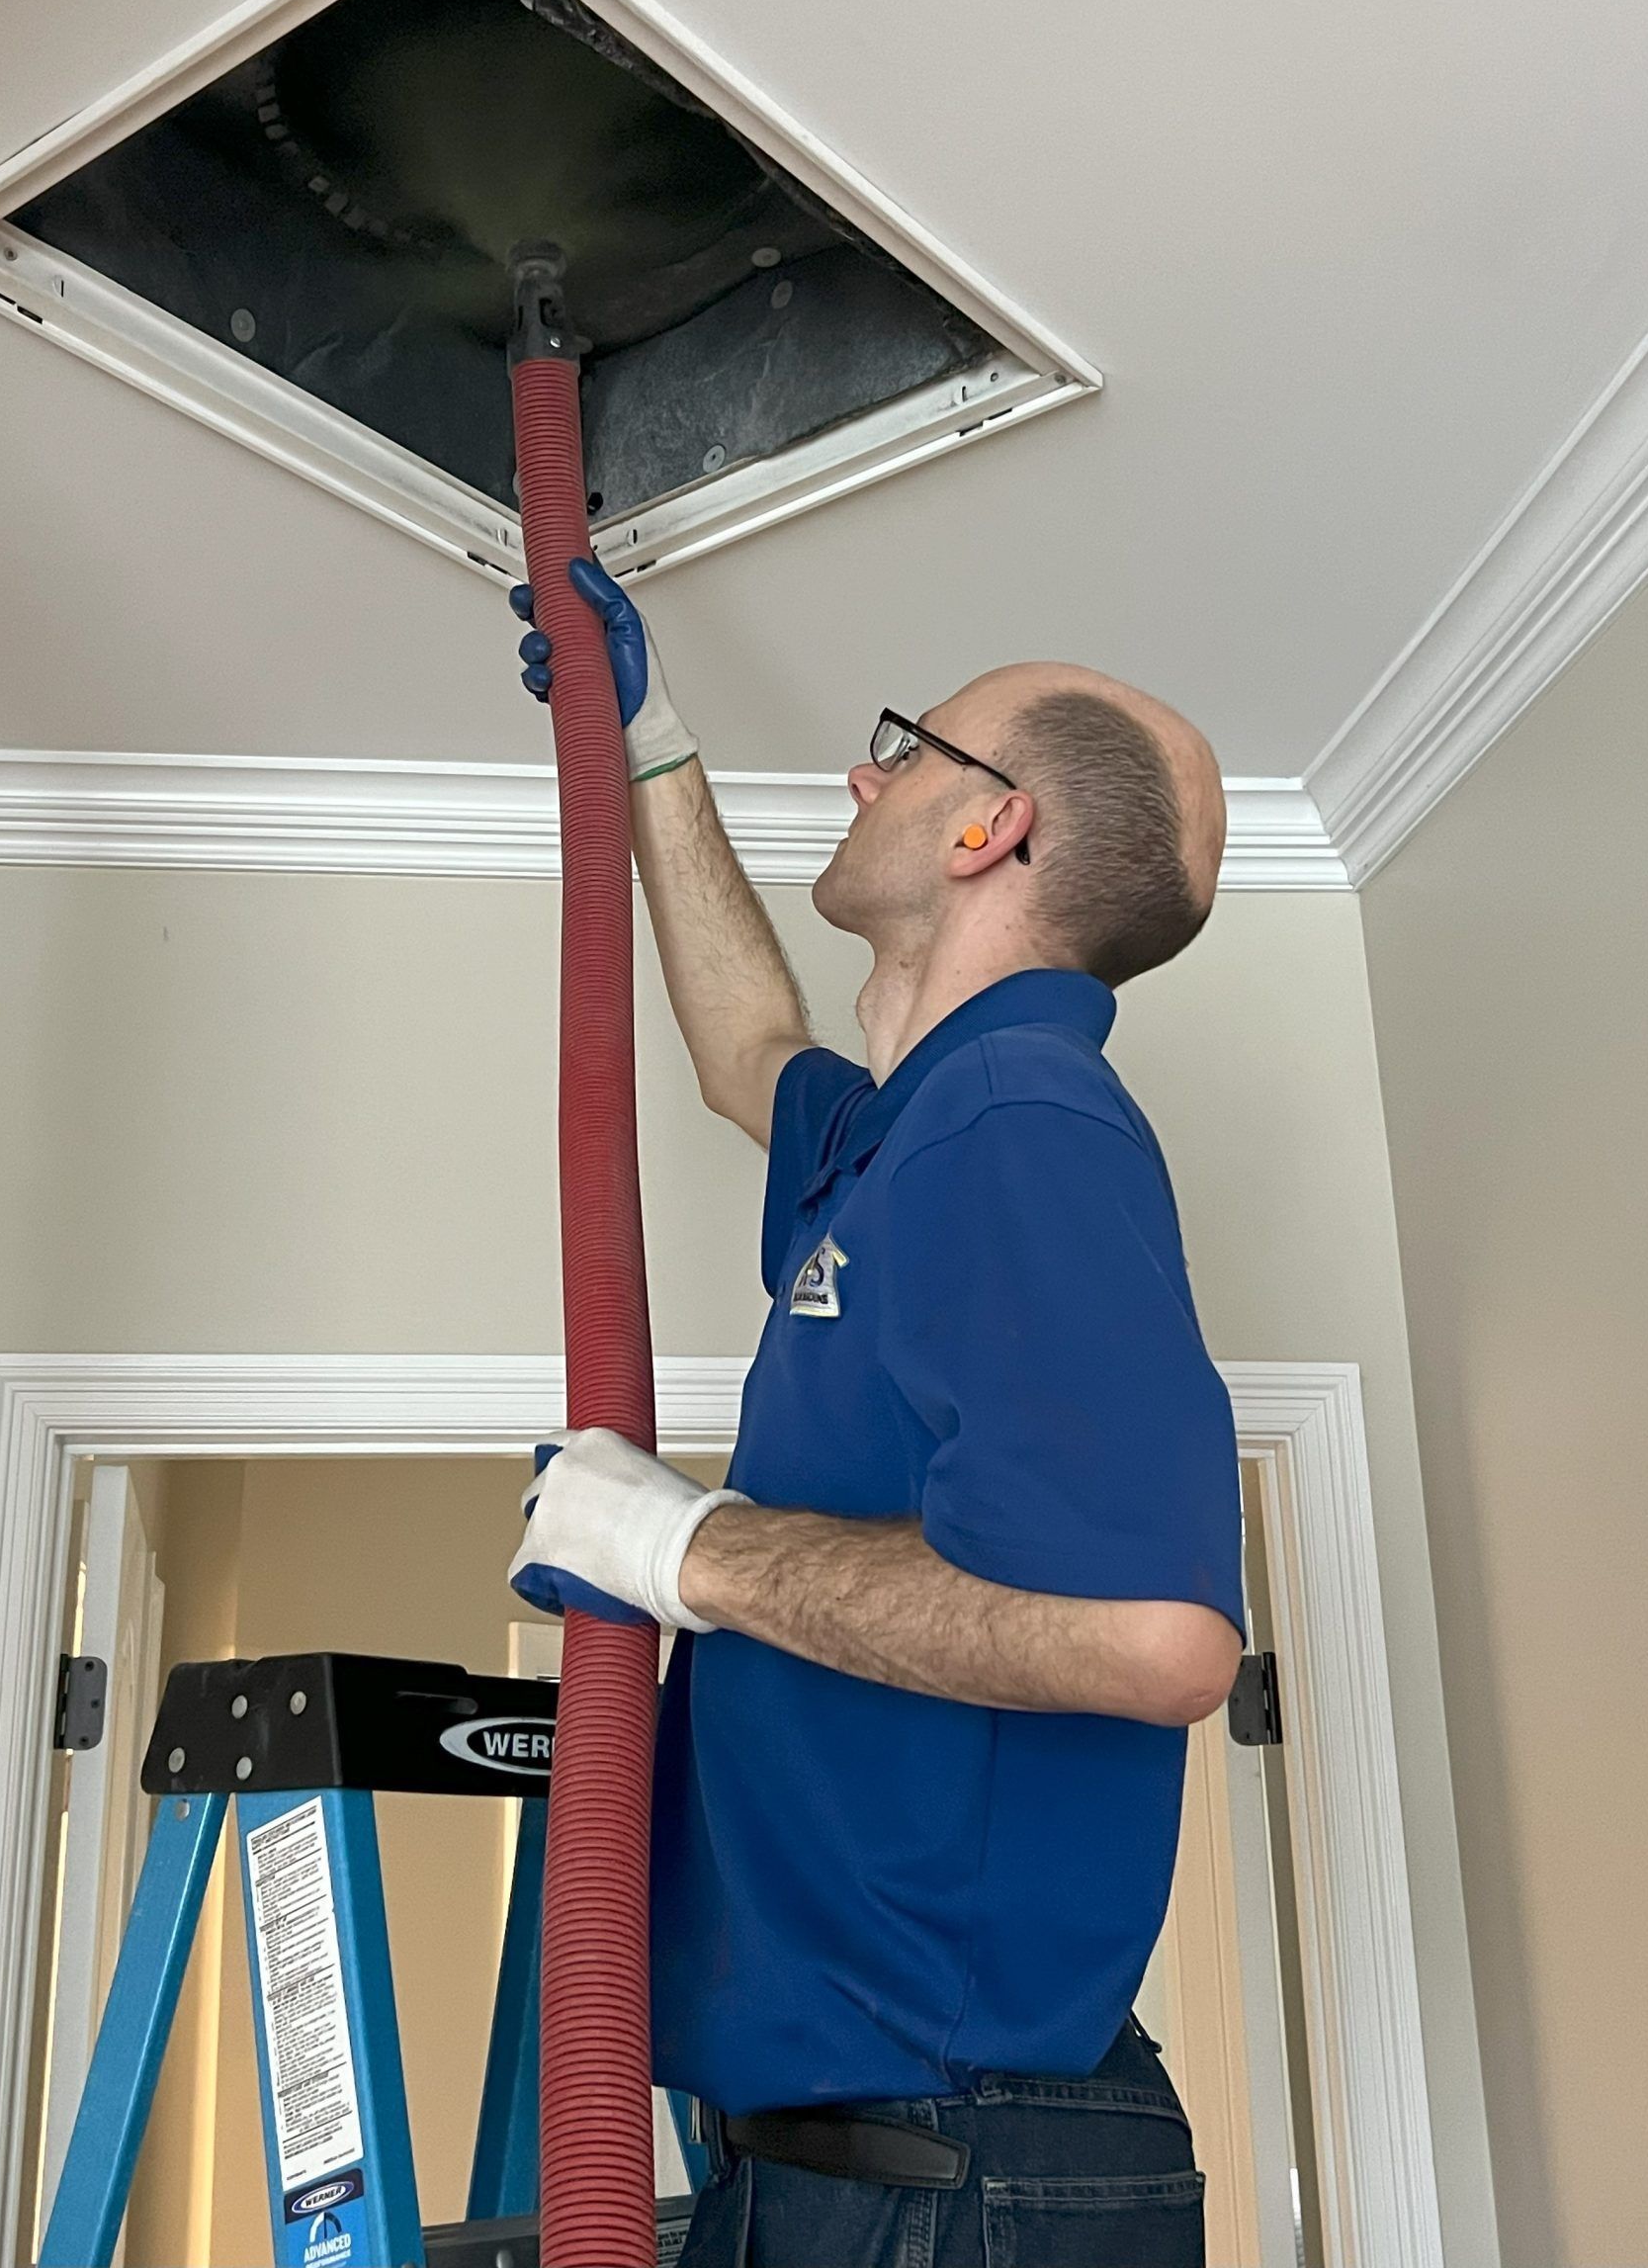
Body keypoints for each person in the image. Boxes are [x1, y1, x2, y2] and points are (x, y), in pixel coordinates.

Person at [506, 559, 1247, 2268]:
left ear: (992, 833)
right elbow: (743, 1042)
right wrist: (650, 742)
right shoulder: (908, 1138)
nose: (863, 774)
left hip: (951, 2158)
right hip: (873, 2157)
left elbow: (1158, 1645)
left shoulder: (1021, 1119)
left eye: (906, 750)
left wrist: (688, 1550)